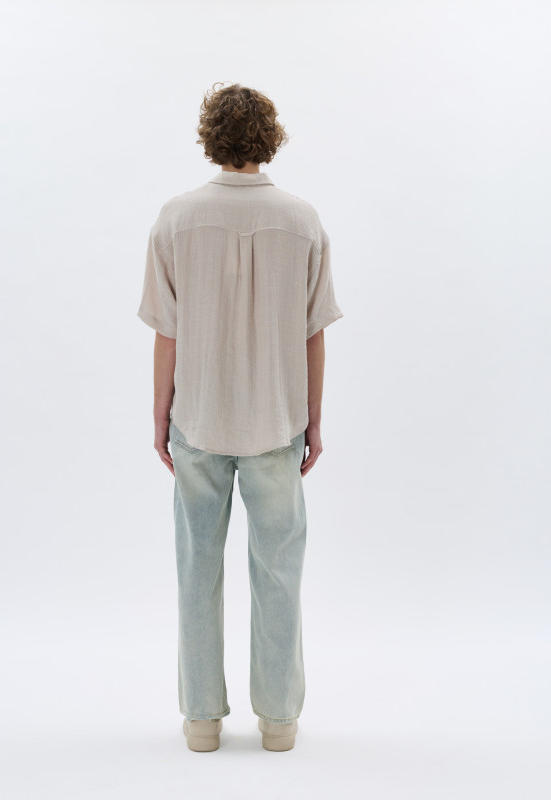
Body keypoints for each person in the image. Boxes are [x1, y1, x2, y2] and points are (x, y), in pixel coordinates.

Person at [137, 81, 344, 752]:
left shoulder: (176, 218)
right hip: (277, 423)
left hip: (198, 419)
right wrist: (313, 420)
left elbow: (166, 332)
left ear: (210, 138)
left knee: (197, 569)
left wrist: (161, 413)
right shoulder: (303, 221)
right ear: (269, 139)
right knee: (279, 571)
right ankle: (279, 722)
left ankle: (202, 721)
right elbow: (314, 333)